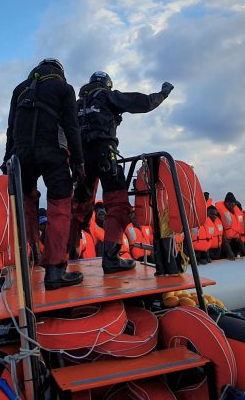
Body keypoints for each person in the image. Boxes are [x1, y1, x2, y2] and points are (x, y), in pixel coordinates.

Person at [70, 71, 174, 274]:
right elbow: (143, 103)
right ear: (106, 84)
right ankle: (111, 258)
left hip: (80, 160)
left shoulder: (76, 105)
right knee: (117, 205)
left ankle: (69, 256)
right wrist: (163, 93)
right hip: (104, 155)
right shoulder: (107, 95)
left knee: (78, 207)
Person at [2, 58, 84, 290]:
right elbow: (71, 126)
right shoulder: (64, 88)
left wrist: (7, 158)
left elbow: (11, 128)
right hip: (52, 152)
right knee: (59, 206)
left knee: (27, 202)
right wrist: (78, 161)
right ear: (60, 72)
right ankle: (55, 271)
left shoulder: (20, 89)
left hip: (21, 154)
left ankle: (33, 253)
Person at [215, 192, 245, 257]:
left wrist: (244, 250)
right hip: (225, 241)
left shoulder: (237, 213)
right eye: (228, 203)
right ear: (225, 203)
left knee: (243, 253)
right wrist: (229, 251)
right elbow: (222, 232)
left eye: (232, 203)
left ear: (235, 204)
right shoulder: (219, 213)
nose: (230, 204)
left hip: (236, 240)